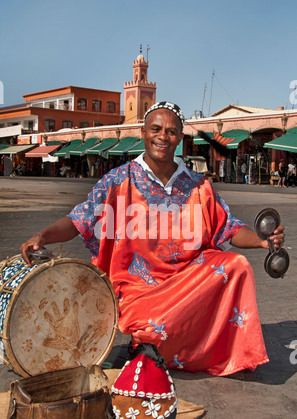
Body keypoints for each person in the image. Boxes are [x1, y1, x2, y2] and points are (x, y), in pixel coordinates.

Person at [20, 101, 285, 377]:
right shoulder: (118, 182)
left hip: (188, 282)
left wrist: (264, 242)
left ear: (180, 138)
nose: (163, 137)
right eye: (156, 129)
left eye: (171, 132)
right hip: (138, 289)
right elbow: (78, 220)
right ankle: (157, 344)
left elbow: (228, 228)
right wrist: (43, 236)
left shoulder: (199, 185)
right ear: (143, 133)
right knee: (153, 324)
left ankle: (181, 349)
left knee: (236, 266)